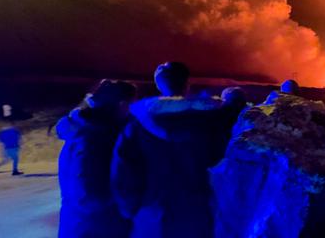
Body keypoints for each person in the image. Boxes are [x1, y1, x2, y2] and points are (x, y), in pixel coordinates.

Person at [111, 61, 233, 238]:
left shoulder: (138, 123)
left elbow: (123, 169)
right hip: (195, 207)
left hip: (152, 210)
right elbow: (219, 159)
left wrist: (129, 208)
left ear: (159, 85)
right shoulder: (210, 120)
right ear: (187, 84)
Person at [57, 80, 137, 238]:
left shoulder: (78, 131)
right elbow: (93, 193)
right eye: (131, 104)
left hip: (75, 224)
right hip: (101, 226)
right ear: (121, 104)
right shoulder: (101, 137)